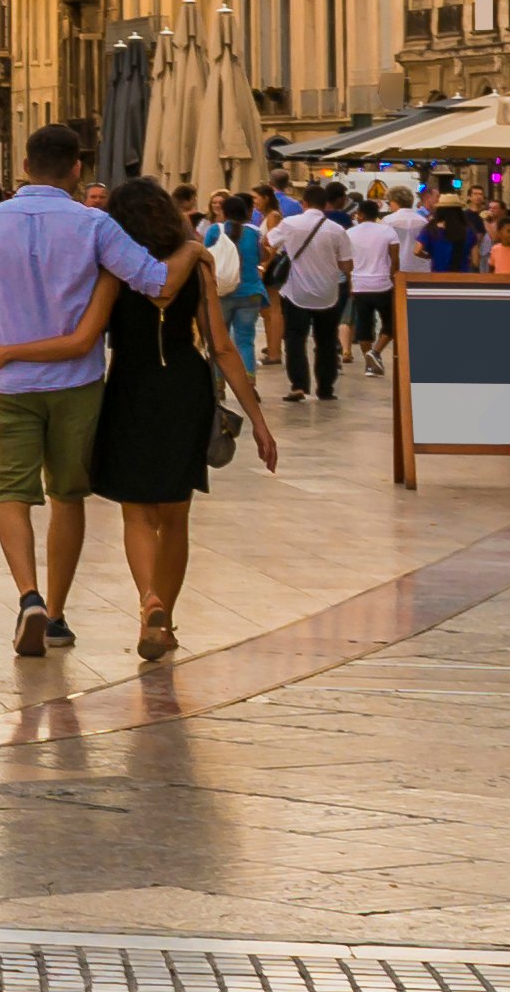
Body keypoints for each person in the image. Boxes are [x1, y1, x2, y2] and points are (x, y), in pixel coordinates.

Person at [0, 123, 187, 660]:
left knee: (11, 492)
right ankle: (55, 612)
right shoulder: (94, 224)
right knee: (66, 495)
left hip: (6, 382)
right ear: (78, 169)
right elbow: (156, 283)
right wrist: (193, 249)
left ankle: (27, 594)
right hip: (76, 384)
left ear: (24, 167)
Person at [86, 175, 276, 659]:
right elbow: (223, 346)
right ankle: (164, 616)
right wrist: (257, 419)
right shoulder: (196, 267)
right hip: (184, 387)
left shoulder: (112, 267)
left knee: (135, 510)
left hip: (130, 385)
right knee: (175, 515)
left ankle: (147, 599)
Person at [263, 182, 351, 404]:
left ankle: (299, 385)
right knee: (326, 341)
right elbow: (347, 266)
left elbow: (267, 241)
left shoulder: (290, 224)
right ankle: (326, 387)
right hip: (328, 293)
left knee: (295, 338)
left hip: (296, 292)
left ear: (304, 203)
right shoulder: (337, 230)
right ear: (325, 204)